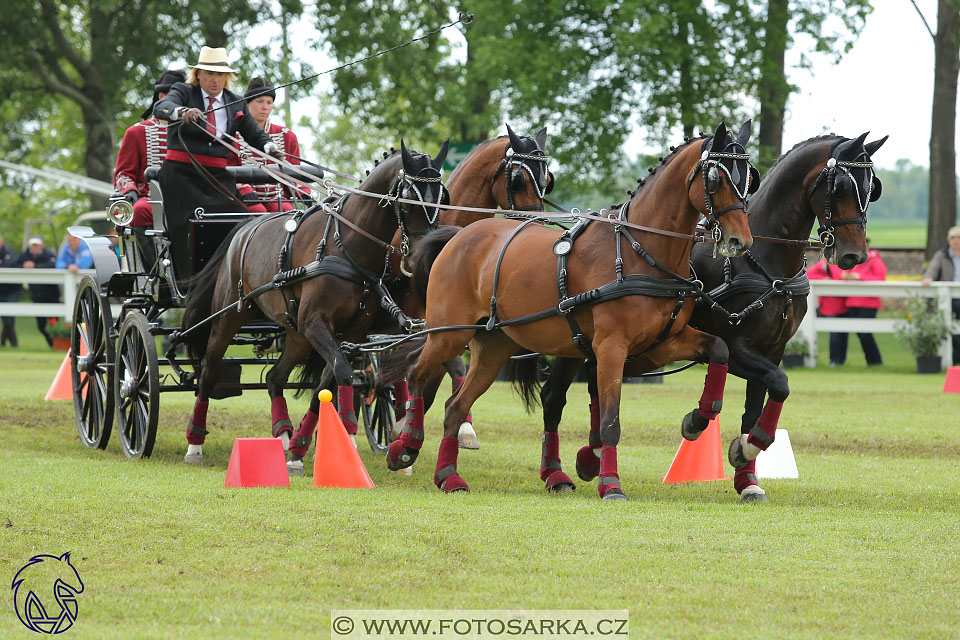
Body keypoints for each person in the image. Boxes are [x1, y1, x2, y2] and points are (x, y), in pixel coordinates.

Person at [153, 47, 279, 280]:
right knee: (193, 225)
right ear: (198, 74)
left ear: (226, 77)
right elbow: (160, 108)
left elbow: (254, 135)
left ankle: (232, 278)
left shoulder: (235, 102)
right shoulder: (183, 91)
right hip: (182, 175)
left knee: (236, 222)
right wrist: (181, 112)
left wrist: (270, 147)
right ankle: (189, 280)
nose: (215, 79)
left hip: (217, 177)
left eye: (220, 74)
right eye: (210, 73)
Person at [114, 69, 185, 266]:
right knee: (140, 211)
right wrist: (130, 191)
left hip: (188, 197)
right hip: (150, 198)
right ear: (162, 97)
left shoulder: (191, 132)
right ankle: (156, 272)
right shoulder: (137, 132)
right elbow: (123, 173)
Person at [806, 242, 887, 366]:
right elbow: (811, 274)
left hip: (864, 302)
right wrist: (824, 279)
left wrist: (859, 276)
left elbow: (880, 277)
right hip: (848, 303)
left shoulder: (872, 259)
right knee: (848, 332)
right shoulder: (848, 261)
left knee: (863, 333)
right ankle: (844, 361)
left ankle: (874, 362)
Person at [235, 76, 306, 212]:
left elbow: (293, 171)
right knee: (257, 211)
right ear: (247, 103)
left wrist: (303, 191)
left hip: (277, 198)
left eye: (269, 102)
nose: (265, 107)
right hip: (246, 197)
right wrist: (244, 189)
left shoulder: (286, 135)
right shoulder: (234, 135)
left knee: (286, 211)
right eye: (259, 101)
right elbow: (230, 169)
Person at [922, 225, 960, 365]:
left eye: (958, 238)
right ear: (948, 240)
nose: (956, 241)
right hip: (949, 298)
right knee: (950, 330)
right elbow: (932, 270)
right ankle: (953, 360)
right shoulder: (942, 255)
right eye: (953, 238)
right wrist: (928, 278)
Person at [14, 236, 58, 347]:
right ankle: (51, 342)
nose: (35, 247)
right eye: (33, 245)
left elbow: (53, 265)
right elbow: (14, 264)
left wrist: (35, 266)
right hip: (37, 294)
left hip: (51, 293)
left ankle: (56, 343)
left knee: (53, 321)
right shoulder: (26, 255)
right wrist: (24, 266)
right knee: (41, 325)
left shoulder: (48, 254)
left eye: (37, 245)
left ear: (42, 245)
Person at [0, 232, 20, 347]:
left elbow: (9, 265)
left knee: (9, 317)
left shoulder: (8, 252)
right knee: (5, 318)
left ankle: (8, 342)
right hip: (1, 290)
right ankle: (11, 342)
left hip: (11, 289)